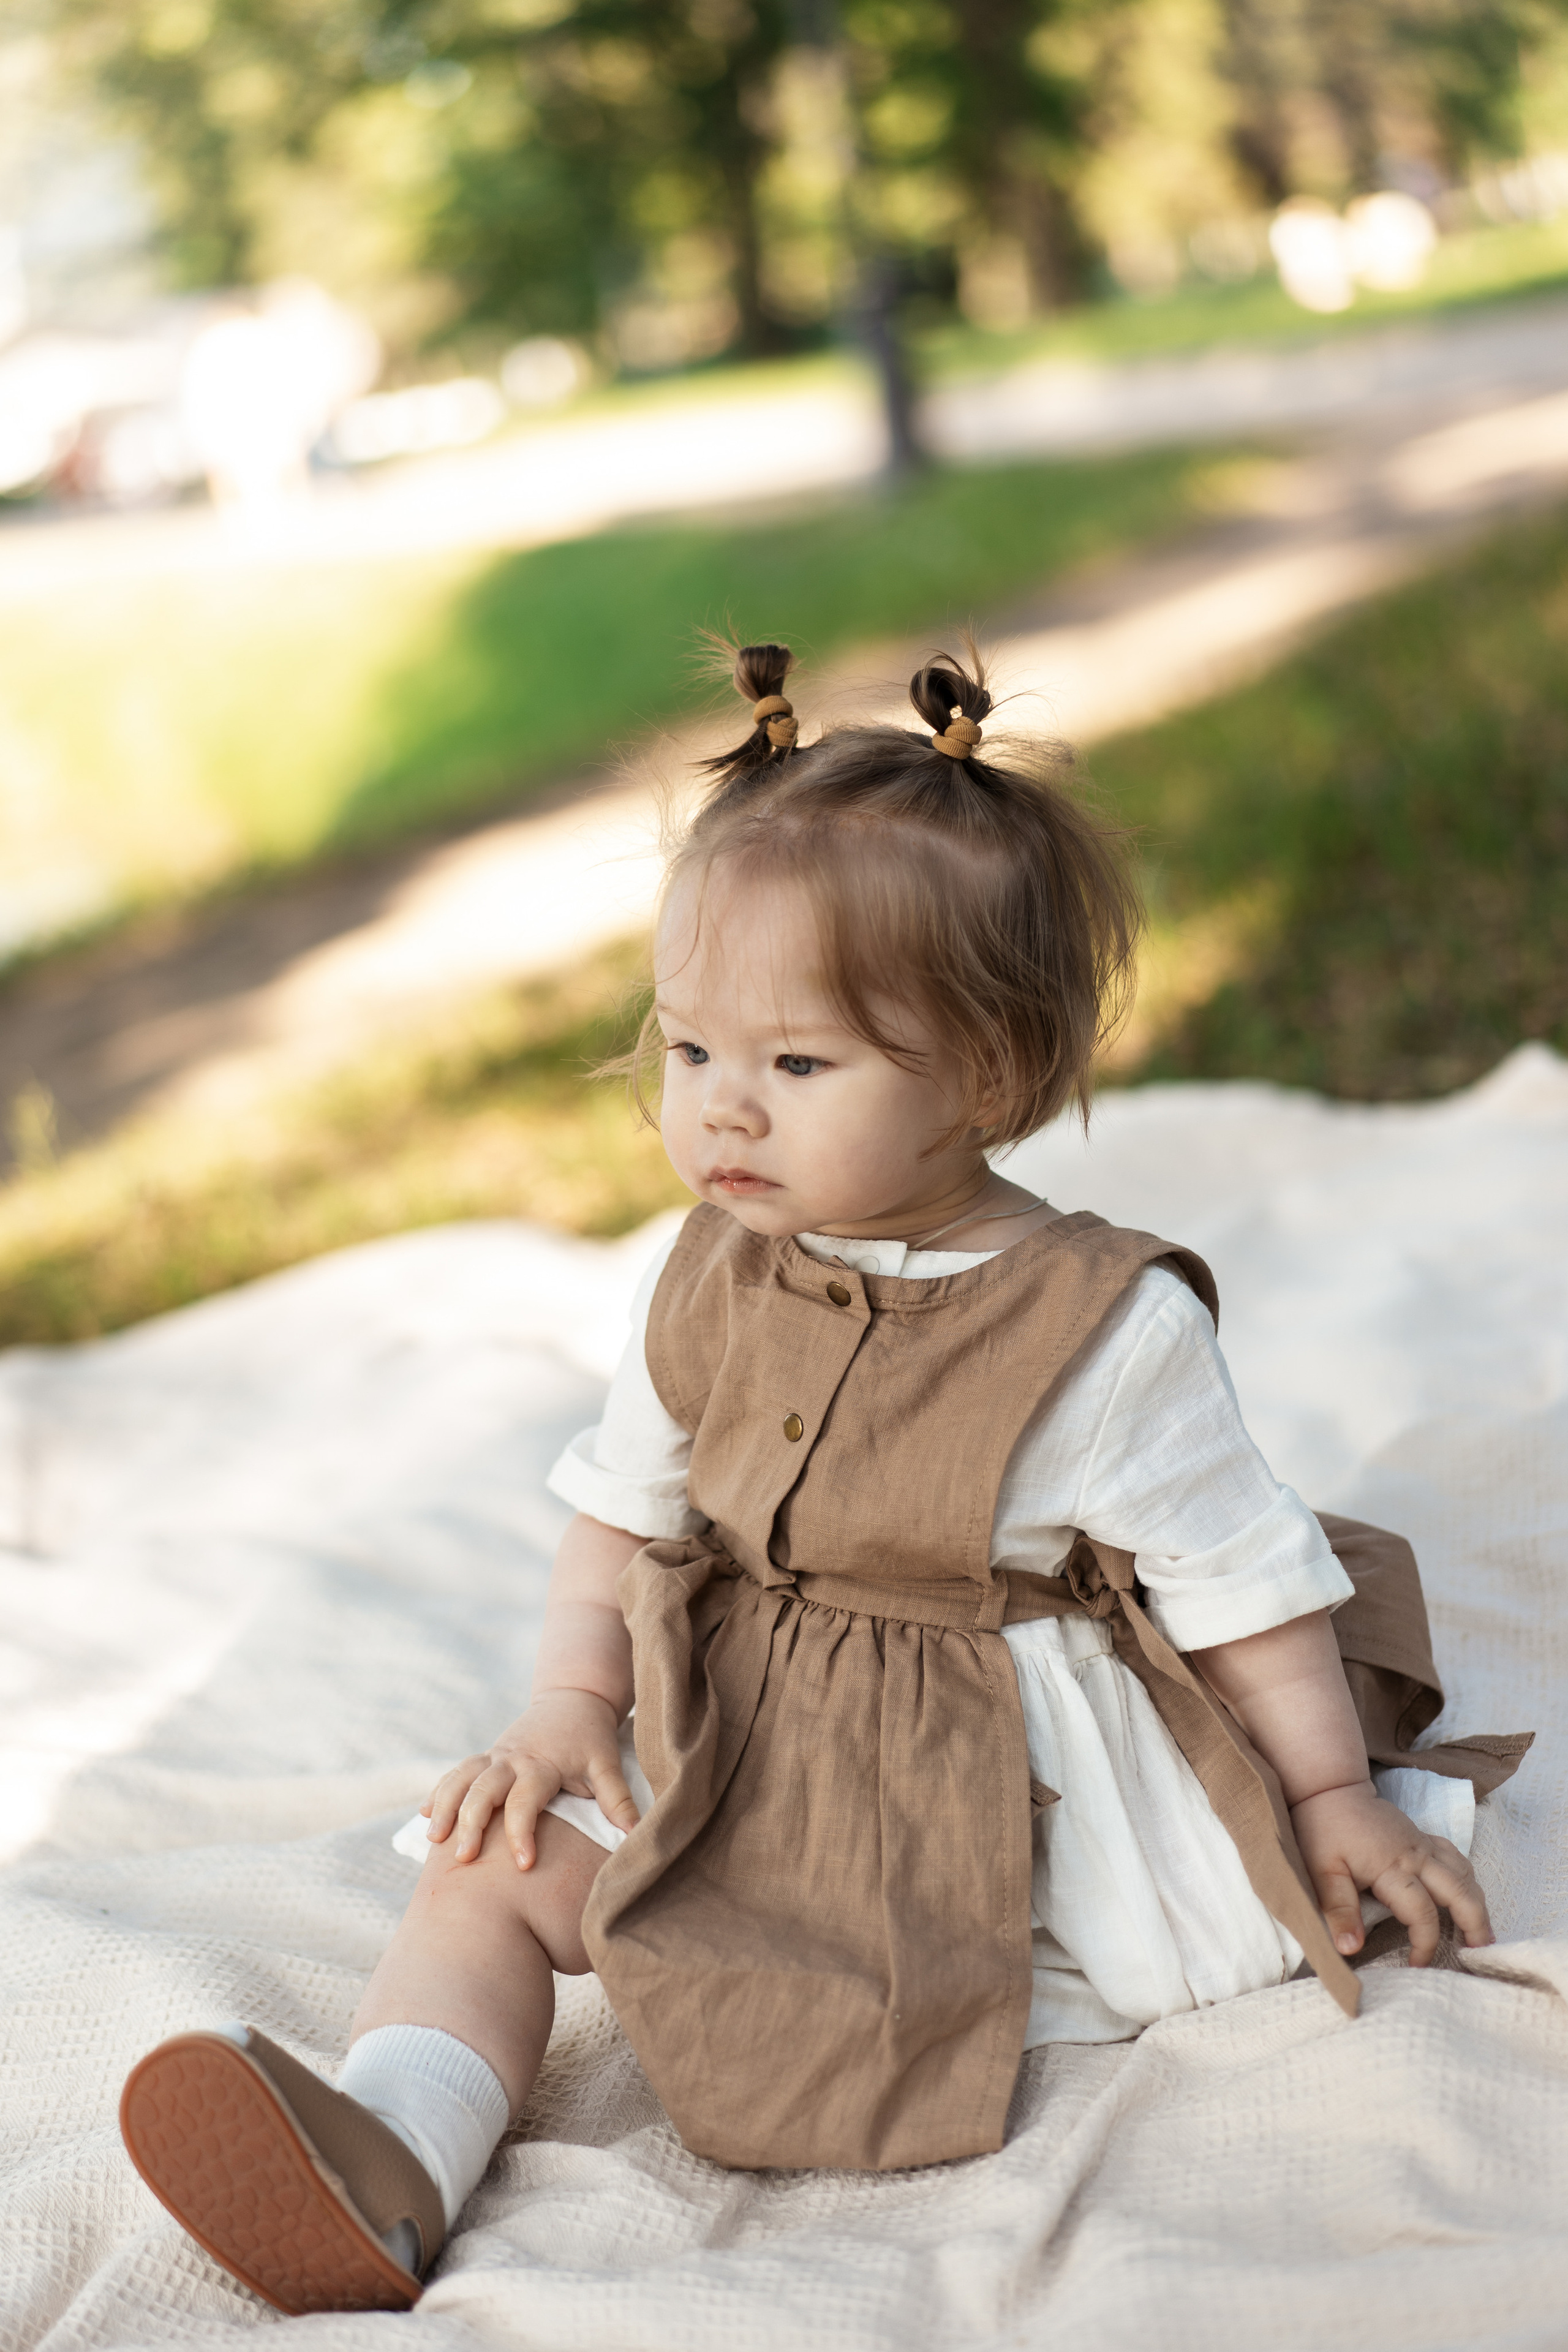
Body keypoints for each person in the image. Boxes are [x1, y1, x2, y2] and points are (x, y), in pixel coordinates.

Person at [118, 643, 1529, 2316]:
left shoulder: (1101, 1327)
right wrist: (569, 1706)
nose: (723, 1112)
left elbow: (1247, 1586)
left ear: (982, 1079)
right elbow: (624, 1515)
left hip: (972, 1787)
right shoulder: (710, 1271)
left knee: (871, 1975)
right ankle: (399, 2154)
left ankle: (839, 1996)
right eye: (689, 1051)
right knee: (484, 1867)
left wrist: (1329, 1799)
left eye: (797, 1067)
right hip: (742, 1737)